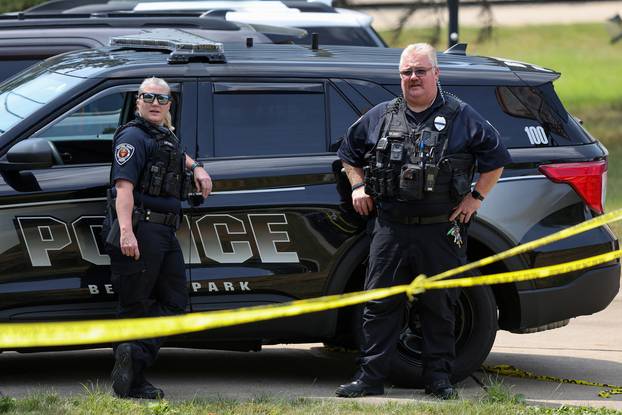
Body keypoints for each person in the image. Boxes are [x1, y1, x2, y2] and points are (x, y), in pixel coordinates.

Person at [335, 43, 511, 400]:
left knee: (440, 304)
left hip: (440, 228)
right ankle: (370, 378)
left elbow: (496, 158)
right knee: (380, 304)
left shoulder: (462, 116)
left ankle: (439, 379)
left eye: (420, 71)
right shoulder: (381, 115)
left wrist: (475, 199)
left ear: (436, 74)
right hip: (391, 227)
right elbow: (347, 155)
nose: (413, 78)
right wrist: (357, 185)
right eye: (406, 72)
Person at [104, 77, 212, 399]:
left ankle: (132, 352)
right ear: (138, 101)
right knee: (135, 305)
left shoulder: (163, 135)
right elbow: (123, 190)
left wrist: (198, 167)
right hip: (141, 230)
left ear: (169, 104)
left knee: (176, 303)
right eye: (148, 97)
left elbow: (176, 154)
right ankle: (132, 382)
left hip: (164, 231)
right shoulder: (133, 138)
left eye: (161, 99)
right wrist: (126, 233)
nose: (155, 103)